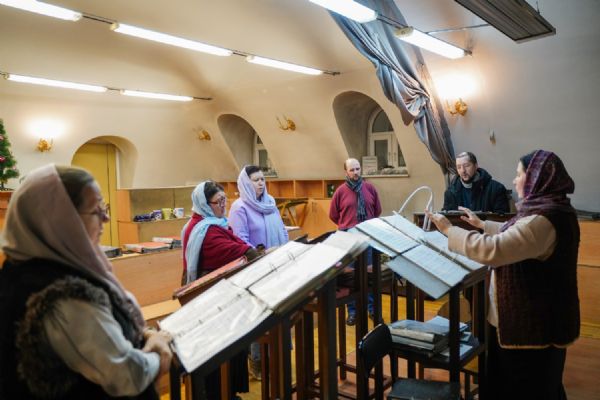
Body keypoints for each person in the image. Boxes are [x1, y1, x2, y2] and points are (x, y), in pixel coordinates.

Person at [0, 164, 173, 399]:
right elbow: (128, 375)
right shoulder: (64, 296)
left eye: (104, 207)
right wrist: (158, 349)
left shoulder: (23, 269)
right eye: (96, 210)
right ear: (61, 222)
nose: (106, 217)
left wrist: (145, 335)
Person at [427, 150, 579, 400]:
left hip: (531, 328)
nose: (514, 181)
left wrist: (449, 230)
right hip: (540, 319)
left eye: (519, 175)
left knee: (526, 387)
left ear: (536, 179)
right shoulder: (552, 210)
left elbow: (495, 250)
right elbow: (517, 233)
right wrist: (482, 224)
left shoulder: (544, 219)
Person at [182, 180, 259, 400]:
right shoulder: (206, 231)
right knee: (217, 354)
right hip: (212, 302)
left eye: (225, 199)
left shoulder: (211, 223)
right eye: (218, 202)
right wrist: (255, 252)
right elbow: (240, 251)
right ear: (204, 204)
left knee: (225, 352)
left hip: (219, 298)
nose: (224, 205)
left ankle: (227, 393)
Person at [228, 165, 288, 380]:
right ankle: (257, 362)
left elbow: (282, 230)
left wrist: (286, 251)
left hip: (277, 267)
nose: (261, 183)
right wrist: (262, 255)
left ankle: (278, 355)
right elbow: (240, 241)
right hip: (255, 270)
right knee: (259, 317)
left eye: (263, 179)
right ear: (246, 183)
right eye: (256, 180)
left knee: (279, 313)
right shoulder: (239, 208)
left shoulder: (270, 203)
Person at [329, 158, 382, 326]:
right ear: (346, 172)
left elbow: (377, 210)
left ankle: (372, 310)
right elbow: (333, 215)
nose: (355, 172)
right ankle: (353, 312)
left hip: (368, 236)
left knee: (369, 274)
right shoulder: (340, 191)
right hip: (348, 238)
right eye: (352, 170)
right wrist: (347, 225)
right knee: (351, 276)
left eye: (358, 169)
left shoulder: (370, 188)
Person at [443, 151, 510, 213]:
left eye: (466, 166)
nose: (463, 170)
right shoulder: (450, 191)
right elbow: (447, 215)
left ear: (476, 166)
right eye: (459, 167)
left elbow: (502, 219)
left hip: (485, 223)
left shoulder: (497, 188)